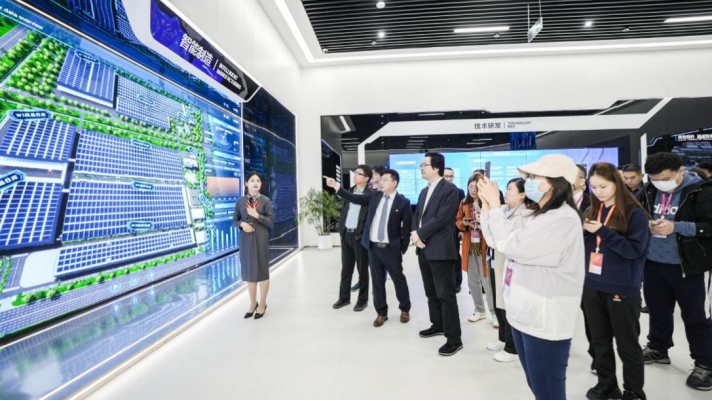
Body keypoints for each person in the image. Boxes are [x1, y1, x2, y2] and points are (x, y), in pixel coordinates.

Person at [478, 154, 585, 400]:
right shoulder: (536, 214)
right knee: (536, 384)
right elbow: (496, 240)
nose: (529, 182)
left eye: (535, 177)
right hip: (523, 313)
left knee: (548, 391)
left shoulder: (563, 219)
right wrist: (487, 208)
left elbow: (513, 245)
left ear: (554, 183)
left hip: (544, 320)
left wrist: (495, 205)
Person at [637, 152, 712, 391]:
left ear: (681, 171)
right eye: (654, 179)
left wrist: (676, 227)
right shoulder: (649, 189)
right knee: (658, 310)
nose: (660, 183)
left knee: (695, 316)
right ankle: (658, 348)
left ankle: (705, 364)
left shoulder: (701, 191)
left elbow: (708, 226)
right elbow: (637, 213)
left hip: (687, 265)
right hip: (653, 263)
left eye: (665, 179)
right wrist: (644, 224)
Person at [582, 162, 651, 400]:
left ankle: (634, 391)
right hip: (592, 285)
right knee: (599, 341)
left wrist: (603, 231)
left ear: (616, 183)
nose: (598, 191)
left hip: (622, 287)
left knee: (627, 344)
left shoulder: (635, 213)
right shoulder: (592, 210)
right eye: (594, 187)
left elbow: (634, 250)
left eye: (603, 186)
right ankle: (607, 384)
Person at [324, 169, 413, 327]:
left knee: (398, 279)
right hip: (373, 248)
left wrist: (402, 248)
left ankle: (404, 309)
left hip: (391, 249)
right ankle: (381, 313)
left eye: (385, 180)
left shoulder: (403, 202)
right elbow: (353, 198)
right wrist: (337, 186)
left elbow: (407, 228)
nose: (381, 182)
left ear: (394, 183)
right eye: (381, 180)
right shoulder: (374, 196)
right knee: (377, 282)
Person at [412, 152, 463, 356]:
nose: (421, 168)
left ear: (436, 167)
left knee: (445, 295)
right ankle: (438, 325)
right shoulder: (425, 191)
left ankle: (454, 339)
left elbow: (442, 218)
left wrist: (420, 234)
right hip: (423, 247)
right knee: (430, 291)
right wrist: (416, 235)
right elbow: (418, 215)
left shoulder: (450, 189)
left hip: (440, 248)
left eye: (424, 165)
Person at [483, 177, 530, 363]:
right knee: (499, 303)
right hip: (498, 261)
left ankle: (512, 348)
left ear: (522, 194)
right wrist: (486, 207)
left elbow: (501, 240)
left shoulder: (523, 215)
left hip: (510, 265)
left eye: (510, 189)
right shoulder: (504, 210)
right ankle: (503, 339)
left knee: (509, 305)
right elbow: (489, 234)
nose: (507, 192)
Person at [233, 172, 274, 319]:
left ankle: (262, 303)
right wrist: (242, 224)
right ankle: (252, 303)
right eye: (252, 180)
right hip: (246, 238)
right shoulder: (240, 201)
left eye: (258, 180)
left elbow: (270, 222)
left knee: (262, 271)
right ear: (246, 184)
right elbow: (234, 220)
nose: (256, 183)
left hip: (261, 236)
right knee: (249, 272)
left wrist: (257, 216)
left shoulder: (265, 201)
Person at [455, 173, 495, 325]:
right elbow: (458, 221)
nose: (472, 190)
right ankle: (479, 310)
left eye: (476, 187)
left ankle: (494, 313)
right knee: (472, 281)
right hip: (470, 245)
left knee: (487, 281)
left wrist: (481, 222)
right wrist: (464, 223)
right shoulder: (464, 203)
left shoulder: (489, 203)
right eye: (470, 187)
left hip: (485, 245)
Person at [332, 165, 372, 312]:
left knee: (362, 270)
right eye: (355, 172)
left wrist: (337, 187)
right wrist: (341, 231)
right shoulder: (349, 191)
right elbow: (344, 211)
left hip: (359, 236)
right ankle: (344, 298)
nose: (355, 175)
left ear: (366, 178)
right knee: (346, 269)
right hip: (346, 235)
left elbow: (357, 201)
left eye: (358, 173)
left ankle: (362, 300)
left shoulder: (370, 194)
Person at [444, 167, 466, 293]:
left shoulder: (459, 192)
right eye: (446, 176)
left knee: (455, 255)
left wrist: (461, 230)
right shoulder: (437, 192)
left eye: (451, 176)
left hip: (454, 229)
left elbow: (462, 211)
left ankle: (457, 282)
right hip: (439, 230)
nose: (449, 178)